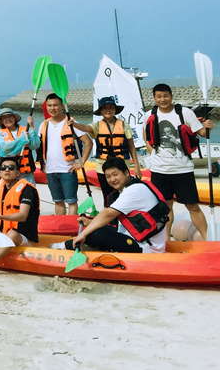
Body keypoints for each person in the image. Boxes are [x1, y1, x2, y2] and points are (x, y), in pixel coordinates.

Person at [51, 158, 170, 253]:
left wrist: (83, 234)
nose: (112, 179)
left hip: (145, 247)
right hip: (136, 238)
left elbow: (108, 214)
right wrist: (90, 223)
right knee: (96, 228)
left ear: (126, 172)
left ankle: (62, 248)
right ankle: (73, 245)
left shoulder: (134, 191)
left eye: (115, 174)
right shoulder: (134, 185)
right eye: (108, 176)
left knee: (95, 233)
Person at [143, 83, 213, 240]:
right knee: (165, 207)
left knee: (192, 206)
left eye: (165, 96)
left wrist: (208, 127)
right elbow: (146, 134)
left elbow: (202, 133)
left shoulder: (185, 113)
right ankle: (166, 241)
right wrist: (152, 153)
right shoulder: (149, 115)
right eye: (159, 96)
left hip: (183, 169)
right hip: (159, 170)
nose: (162, 99)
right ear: (154, 98)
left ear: (171, 96)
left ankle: (207, 239)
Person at [71, 96, 142, 208]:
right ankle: (108, 214)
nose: (108, 110)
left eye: (111, 108)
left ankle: (124, 214)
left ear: (115, 110)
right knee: (108, 195)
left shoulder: (124, 125)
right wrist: (73, 124)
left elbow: (132, 147)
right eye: (104, 108)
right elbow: (84, 128)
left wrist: (137, 167)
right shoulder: (97, 125)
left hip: (122, 164)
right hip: (102, 166)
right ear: (100, 111)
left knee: (124, 194)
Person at [38, 94, 93, 216]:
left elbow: (88, 142)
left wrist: (81, 162)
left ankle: (70, 225)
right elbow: (40, 147)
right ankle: (61, 225)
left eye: (55, 105)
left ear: (62, 106)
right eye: (49, 105)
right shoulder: (44, 125)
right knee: (58, 201)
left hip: (67, 170)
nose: (52, 108)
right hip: (51, 170)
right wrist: (42, 164)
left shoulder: (70, 123)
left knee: (71, 201)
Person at [0, 109, 40, 185]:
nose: (8, 119)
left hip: (26, 172)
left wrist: (32, 127)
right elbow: (5, 149)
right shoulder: (0, 134)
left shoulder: (26, 130)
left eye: (10, 116)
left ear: (14, 118)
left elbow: (34, 145)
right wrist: (22, 139)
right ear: (1, 121)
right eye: (4, 118)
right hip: (9, 171)